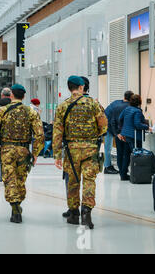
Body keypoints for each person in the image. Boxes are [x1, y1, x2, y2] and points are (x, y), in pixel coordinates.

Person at [53, 76, 107, 229]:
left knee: (72, 181)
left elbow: (57, 131)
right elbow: (104, 125)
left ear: (70, 88)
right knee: (89, 180)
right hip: (90, 149)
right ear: (82, 87)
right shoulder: (93, 104)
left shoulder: (63, 106)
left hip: (71, 151)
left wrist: (57, 155)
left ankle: (73, 213)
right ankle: (86, 212)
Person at [0, 84, 44, 223]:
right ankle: (17, 205)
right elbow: (39, 134)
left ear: (11, 94)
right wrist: (35, 153)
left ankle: (15, 208)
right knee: (20, 179)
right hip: (23, 150)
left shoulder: (1, 111)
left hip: (6, 150)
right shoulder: (31, 112)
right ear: (24, 96)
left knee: (9, 179)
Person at [118, 94, 151, 181]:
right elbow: (137, 124)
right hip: (134, 137)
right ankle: (136, 174)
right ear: (139, 102)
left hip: (126, 135)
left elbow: (120, 119)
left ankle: (123, 175)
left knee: (126, 155)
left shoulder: (127, 109)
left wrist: (122, 130)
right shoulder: (137, 111)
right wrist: (147, 127)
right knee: (136, 155)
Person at [104, 91, 133, 175]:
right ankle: (107, 167)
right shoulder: (126, 107)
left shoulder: (117, 102)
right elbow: (117, 121)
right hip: (108, 125)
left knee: (108, 147)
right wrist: (117, 133)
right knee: (108, 147)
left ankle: (108, 165)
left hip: (106, 123)